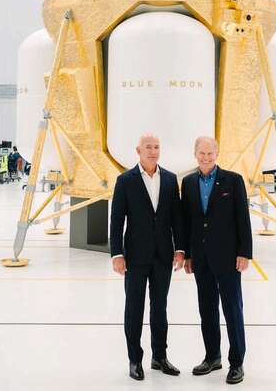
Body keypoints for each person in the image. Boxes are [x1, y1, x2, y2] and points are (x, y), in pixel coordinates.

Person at [110, 134, 185, 381]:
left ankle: (159, 357)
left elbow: (177, 219)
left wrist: (180, 249)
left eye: (156, 147)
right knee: (134, 309)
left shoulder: (171, 179)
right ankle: (134, 359)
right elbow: (117, 220)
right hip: (134, 257)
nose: (153, 151)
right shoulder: (125, 181)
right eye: (148, 147)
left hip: (163, 255)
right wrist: (117, 254)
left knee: (160, 308)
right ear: (138, 150)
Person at [182, 137, 252, 385]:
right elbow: (188, 223)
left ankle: (237, 363)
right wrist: (188, 255)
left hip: (228, 258)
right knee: (207, 309)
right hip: (201, 259)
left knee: (232, 309)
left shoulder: (233, 181)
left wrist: (245, 252)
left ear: (217, 153)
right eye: (202, 153)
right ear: (195, 153)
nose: (206, 158)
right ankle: (212, 357)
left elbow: (243, 218)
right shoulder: (188, 183)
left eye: (210, 153)